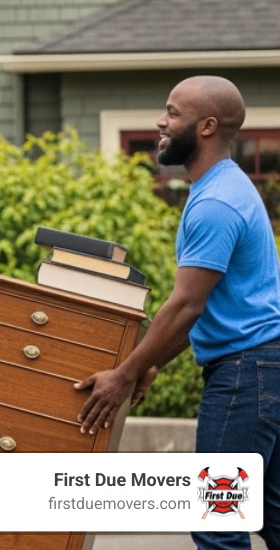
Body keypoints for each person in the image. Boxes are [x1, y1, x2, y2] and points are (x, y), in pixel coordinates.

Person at [77, 76, 280, 550]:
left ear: (207, 126)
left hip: (245, 376)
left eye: (172, 113)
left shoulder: (216, 203)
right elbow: (209, 304)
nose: (160, 122)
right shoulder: (225, 188)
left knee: (217, 521)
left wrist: (124, 375)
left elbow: (187, 304)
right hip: (264, 369)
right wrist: (150, 363)